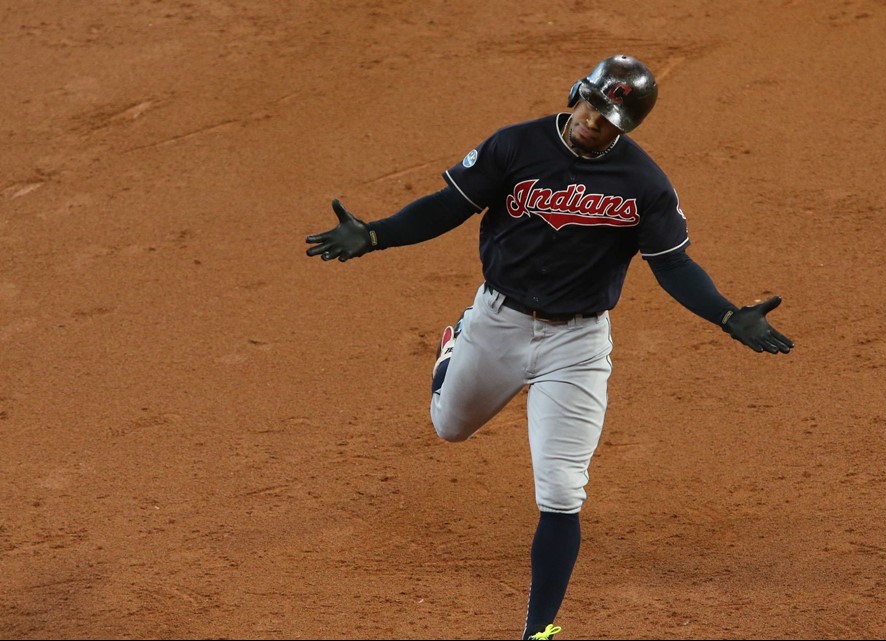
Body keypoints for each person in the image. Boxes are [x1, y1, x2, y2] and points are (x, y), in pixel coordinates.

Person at [304, 54, 794, 640]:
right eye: (591, 106)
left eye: (610, 118)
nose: (594, 121)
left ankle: (538, 631)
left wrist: (724, 313)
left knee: (562, 490)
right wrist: (378, 234)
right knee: (449, 428)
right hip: (497, 323)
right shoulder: (515, 147)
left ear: (626, 126)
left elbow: (673, 265)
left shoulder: (644, 185)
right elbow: (447, 209)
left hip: (578, 344)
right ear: (576, 95)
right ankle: (452, 347)